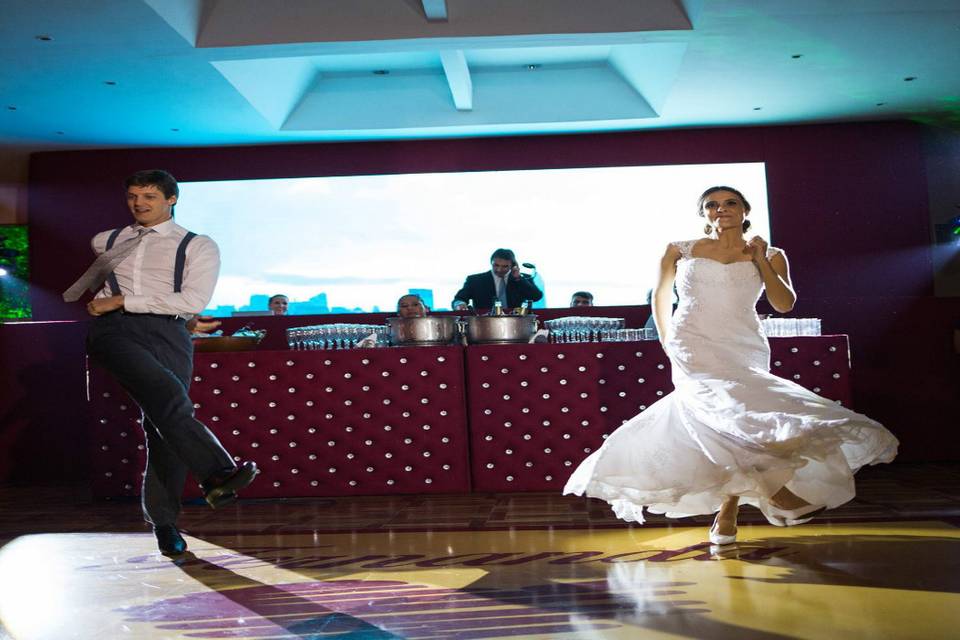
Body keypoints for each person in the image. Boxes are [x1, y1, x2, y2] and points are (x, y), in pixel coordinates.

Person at [564, 186, 898, 546]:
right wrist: (666, 338)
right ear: (703, 214)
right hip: (693, 342)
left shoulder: (771, 253)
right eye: (711, 205)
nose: (720, 209)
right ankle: (777, 494)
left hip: (743, 344)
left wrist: (760, 260)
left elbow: (784, 304)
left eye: (729, 203)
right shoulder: (680, 250)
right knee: (719, 412)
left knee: (738, 419)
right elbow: (661, 295)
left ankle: (728, 513)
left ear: (745, 210)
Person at [63, 169, 259, 556]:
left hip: (169, 334)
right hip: (113, 332)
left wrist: (123, 300)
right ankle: (217, 472)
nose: (139, 204)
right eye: (133, 196)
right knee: (169, 398)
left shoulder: (198, 245)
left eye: (149, 197)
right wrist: (112, 304)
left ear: (171, 199)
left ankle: (165, 525)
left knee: (163, 427)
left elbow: (190, 303)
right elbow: (95, 290)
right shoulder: (107, 240)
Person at [452, 248, 543, 310]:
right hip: (484, 325)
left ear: (512, 265)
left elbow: (536, 296)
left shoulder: (521, 279)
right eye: (496, 265)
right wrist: (459, 304)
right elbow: (459, 299)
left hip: (516, 324)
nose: (499, 270)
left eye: (505, 266)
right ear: (491, 262)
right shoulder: (475, 280)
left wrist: (518, 278)